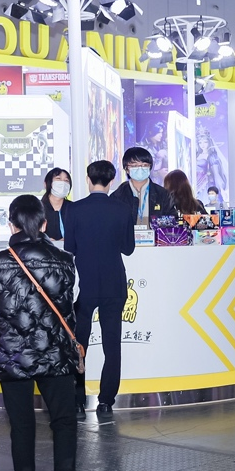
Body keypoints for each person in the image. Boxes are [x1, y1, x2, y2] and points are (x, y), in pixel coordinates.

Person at [0, 194, 87, 471]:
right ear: (44, 223)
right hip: (56, 353)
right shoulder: (66, 260)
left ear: (11, 224)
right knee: (63, 421)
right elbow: (72, 299)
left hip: (12, 355)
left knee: (21, 422)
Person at [64, 161, 136, 417]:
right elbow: (128, 248)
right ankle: (106, 401)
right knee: (112, 344)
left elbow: (69, 247)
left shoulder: (74, 209)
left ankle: (77, 400)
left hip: (84, 284)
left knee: (79, 343)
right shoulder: (122, 209)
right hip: (114, 282)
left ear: (88, 179)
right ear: (112, 181)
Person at [110, 146, 175, 224]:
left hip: (155, 232)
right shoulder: (118, 195)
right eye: (135, 166)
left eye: (144, 165)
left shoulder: (162, 194)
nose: (140, 168)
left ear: (150, 168)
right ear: (126, 169)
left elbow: (172, 221)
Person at [41, 168, 73, 246]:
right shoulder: (37, 209)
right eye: (58, 179)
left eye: (66, 180)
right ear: (46, 184)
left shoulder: (74, 208)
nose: (63, 183)